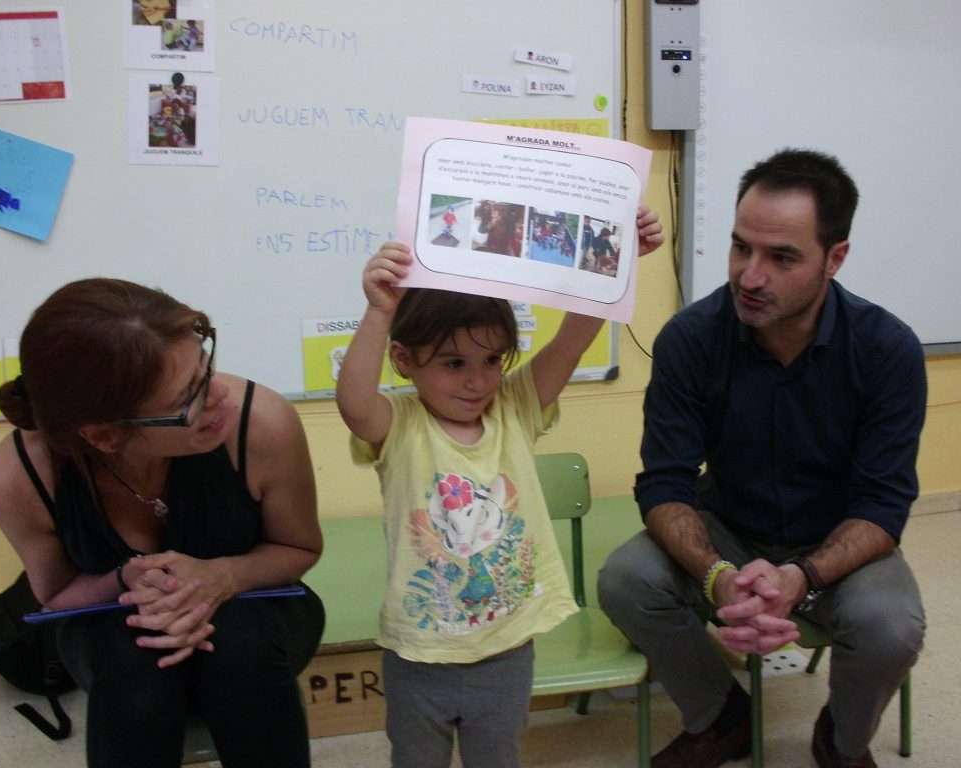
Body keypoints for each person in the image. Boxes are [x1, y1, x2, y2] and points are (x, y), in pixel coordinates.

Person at [597, 149, 926, 768]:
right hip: (730, 526)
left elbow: (884, 507)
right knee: (626, 579)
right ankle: (722, 716)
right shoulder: (691, 339)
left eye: (782, 257)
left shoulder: (888, 350)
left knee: (891, 626)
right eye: (740, 247)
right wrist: (719, 575)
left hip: (837, 540)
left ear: (835, 258)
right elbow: (665, 484)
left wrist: (800, 576)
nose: (750, 276)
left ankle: (841, 740)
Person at [336, 208, 662, 768]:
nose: (478, 379)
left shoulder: (514, 406)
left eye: (492, 360)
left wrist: (617, 260)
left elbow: (573, 340)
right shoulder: (401, 424)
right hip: (420, 656)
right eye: (454, 363)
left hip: (507, 654)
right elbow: (352, 404)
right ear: (404, 359)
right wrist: (379, 311)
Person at [0, 278, 325, 768]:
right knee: (135, 658)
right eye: (188, 397)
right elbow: (57, 595)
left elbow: (299, 548)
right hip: (111, 626)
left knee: (238, 648)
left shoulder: (260, 421)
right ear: (104, 436)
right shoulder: (17, 475)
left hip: (258, 604)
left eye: (207, 367)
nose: (220, 394)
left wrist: (222, 576)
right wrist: (127, 579)